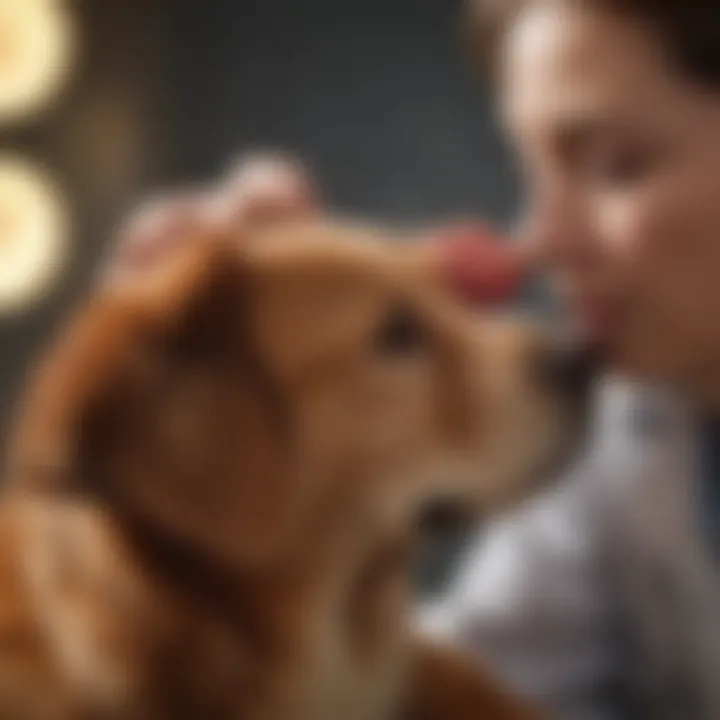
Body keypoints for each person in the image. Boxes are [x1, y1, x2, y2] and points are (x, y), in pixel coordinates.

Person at [106, 1, 720, 717]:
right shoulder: (632, 425)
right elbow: (452, 693)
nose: (542, 240)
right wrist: (235, 412)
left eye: (617, 167)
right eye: (533, 172)